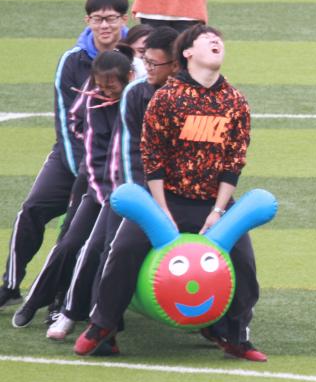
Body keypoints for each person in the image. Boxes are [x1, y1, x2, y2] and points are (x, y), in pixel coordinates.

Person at [76, 25, 265, 361]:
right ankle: (103, 326)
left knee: (244, 263)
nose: (216, 41)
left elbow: (234, 161)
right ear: (188, 52)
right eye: (207, 39)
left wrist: (218, 210)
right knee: (123, 250)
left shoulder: (235, 101)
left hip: (212, 202)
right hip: (165, 198)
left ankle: (235, 335)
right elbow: (153, 158)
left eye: (218, 39)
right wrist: (161, 209)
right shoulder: (166, 98)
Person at [46, 27, 180, 341]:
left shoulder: (181, 95)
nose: (146, 67)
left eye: (153, 62)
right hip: (125, 190)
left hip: (167, 192)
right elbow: (123, 149)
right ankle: (73, 312)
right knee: (94, 247)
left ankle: (220, 327)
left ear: (175, 64)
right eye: (144, 60)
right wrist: (128, 195)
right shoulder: (135, 93)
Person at [0, 0, 128, 309]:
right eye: (98, 18)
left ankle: (64, 297)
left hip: (119, 163)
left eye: (111, 18)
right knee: (32, 209)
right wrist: (82, 175)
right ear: (88, 20)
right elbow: (67, 124)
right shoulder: (72, 61)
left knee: (77, 227)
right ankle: (11, 284)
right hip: (73, 157)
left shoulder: (135, 57)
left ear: (124, 19)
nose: (105, 25)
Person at [12, 47, 135, 330]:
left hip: (122, 193)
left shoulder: (135, 100)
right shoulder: (91, 99)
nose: (105, 92)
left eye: (112, 87)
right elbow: (76, 124)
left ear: (128, 78)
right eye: (100, 86)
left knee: (94, 249)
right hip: (96, 188)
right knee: (68, 243)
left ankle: (70, 311)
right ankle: (34, 300)